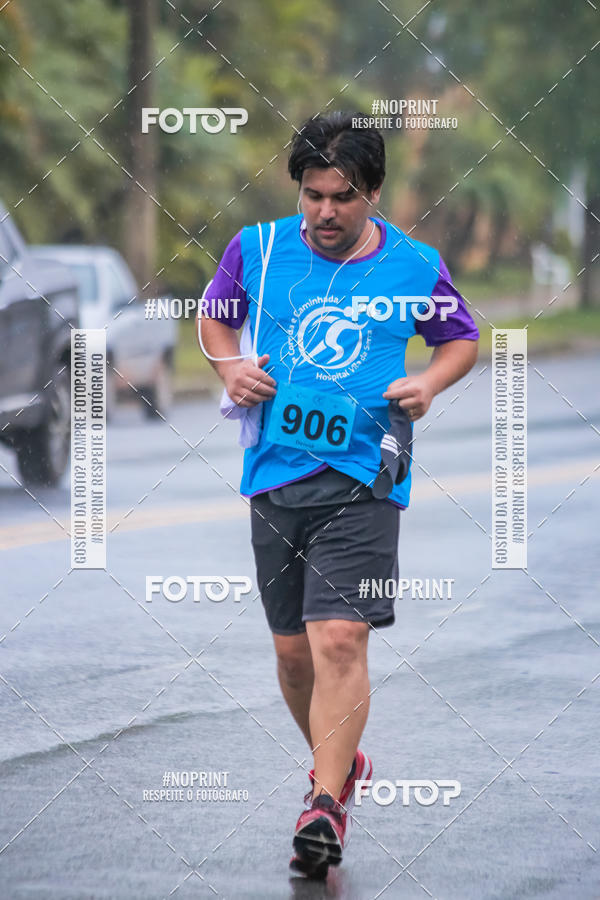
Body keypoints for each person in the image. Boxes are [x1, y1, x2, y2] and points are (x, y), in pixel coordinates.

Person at [197, 110, 479, 879]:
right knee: (294, 658)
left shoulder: (415, 266)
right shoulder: (255, 249)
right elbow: (216, 319)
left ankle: (324, 805)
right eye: (313, 195)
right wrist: (229, 368)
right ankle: (342, 766)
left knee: (338, 640)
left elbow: (460, 336)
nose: (324, 211)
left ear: (374, 193)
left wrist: (427, 380)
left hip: (366, 475)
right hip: (275, 472)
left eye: (342, 197)